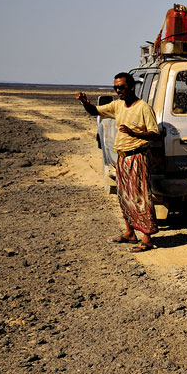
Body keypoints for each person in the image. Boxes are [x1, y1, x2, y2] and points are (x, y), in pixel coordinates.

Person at [77, 73, 162, 252]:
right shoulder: (117, 105)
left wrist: (135, 134)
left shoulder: (144, 108)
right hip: (122, 158)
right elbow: (95, 111)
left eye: (121, 87)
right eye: (115, 87)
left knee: (141, 197)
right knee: (123, 196)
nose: (118, 90)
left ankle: (147, 238)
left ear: (131, 87)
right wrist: (85, 102)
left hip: (138, 157)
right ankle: (130, 233)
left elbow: (155, 134)